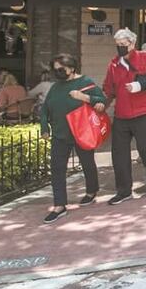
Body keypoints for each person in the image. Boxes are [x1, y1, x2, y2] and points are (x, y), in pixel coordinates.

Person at [39, 54, 106, 224]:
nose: (58, 72)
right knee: (57, 168)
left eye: (61, 69)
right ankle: (59, 205)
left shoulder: (85, 82)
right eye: (55, 70)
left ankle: (91, 191)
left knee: (87, 163)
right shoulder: (55, 87)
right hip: (60, 134)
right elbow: (44, 109)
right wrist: (44, 127)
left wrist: (89, 99)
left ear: (72, 68)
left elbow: (101, 100)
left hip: (81, 132)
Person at [103, 28, 146, 203]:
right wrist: (101, 104)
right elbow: (108, 89)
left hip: (144, 112)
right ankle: (124, 191)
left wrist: (139, 85)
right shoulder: (113, 65)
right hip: (121, 115)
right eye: (118, 45)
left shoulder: (145, 58)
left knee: (145, 149)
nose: (120, 47)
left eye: (124, 44)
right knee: (119, 154)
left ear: (132, 43)